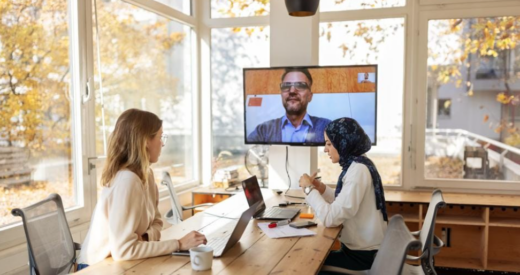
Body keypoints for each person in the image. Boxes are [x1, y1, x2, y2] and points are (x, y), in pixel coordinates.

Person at [77, 109, 207, 269]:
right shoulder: (127, 181)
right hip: (95, 267)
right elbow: (124, 250)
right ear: (145, 141)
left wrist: (144, 238)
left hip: (122, 263)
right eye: (160, 137)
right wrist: (179, 244)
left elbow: (157, 221)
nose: (162, 143)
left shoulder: (147, 174)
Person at [299, 117, 387, 272]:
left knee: (307, 264)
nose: (325, 149)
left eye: (328, 144)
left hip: (362, 258)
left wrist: (308, 189)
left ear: (344, 142)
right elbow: (346, 203)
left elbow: (330, 219)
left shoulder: (358, 171)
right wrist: (321, 189)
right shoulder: (359, 163)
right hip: (363, 251)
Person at [247, 68, 331, 143]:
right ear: (281, 95)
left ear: (310, 96)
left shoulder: (328, 127)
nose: (292, 91)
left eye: (300, 85)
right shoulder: (263, 130)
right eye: (286, 86)